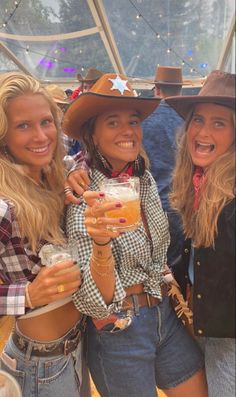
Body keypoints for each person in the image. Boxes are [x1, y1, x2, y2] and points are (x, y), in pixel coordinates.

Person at [63, 73, 208, 397]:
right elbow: (94, 302)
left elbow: (157, 254)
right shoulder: (85, 197)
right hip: (120, 328)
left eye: (133, 120)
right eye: (113, 122)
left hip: (164, 314)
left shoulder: (143, 182)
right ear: (93, 135)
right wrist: (101, 244)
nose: (128, 130)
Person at [0, 72, 90, 397]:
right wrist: (26, 295)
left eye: (46, 122)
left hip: (77, 349)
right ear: (3, 135)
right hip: (40, 365)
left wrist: (78, 170)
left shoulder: (51, 174)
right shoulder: (4, 205)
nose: (41, 136)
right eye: (23, 125)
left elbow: (84, 155)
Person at [166, 70, 235, 397]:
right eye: (199, 119)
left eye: (219, 123)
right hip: (207, 323)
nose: (203, 131)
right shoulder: (200, 183)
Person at [142, 65, 185, 266]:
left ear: (157, 89)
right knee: (177, 270)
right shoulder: (190, 119)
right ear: (181, 90)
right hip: (182, 206)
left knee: (154, 268)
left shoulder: (143, 118)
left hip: (149, 207)